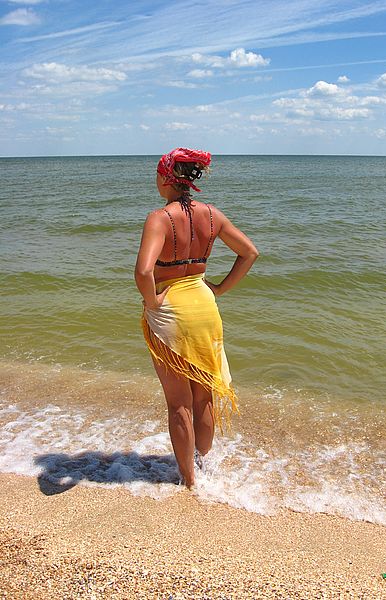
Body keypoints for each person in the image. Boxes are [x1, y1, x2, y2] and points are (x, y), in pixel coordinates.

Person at [134, 147, 259, 489]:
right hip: (205, 306)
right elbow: (249, 253)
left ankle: (189, 481)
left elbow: (144, 271)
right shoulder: (212, 214)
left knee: (179, 405)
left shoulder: (159, 218)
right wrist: (218, 289)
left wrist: (153, 300)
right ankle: (203, 466)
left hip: (172, 311)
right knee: (204, 397)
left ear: (165, 179)